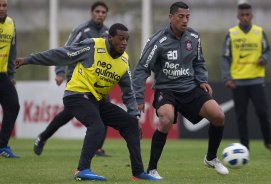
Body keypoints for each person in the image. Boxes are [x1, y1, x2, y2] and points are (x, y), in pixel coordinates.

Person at [15, 23, 160, 181]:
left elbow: (128, 93)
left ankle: (138, 173)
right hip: (76, 94)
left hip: (97, 100)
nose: (124, 42)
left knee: (131, 124)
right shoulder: (92, 46)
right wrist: (28, 60)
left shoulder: (124, 61)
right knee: (96, 126)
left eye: (127, 39)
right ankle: (82, 170)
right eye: (121, 38)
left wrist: (135, 116)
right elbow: (60, 54)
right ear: (110, 38)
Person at [132, 1, 229, 179]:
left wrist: (202, 80)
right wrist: (138, 97)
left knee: (218, 115)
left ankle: (211, 158)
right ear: (171, 17)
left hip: (190, 88)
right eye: (181, 17)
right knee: (166, 119)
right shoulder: (158, 40)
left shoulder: (194, 37)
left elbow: (199, 62)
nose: (185, 20)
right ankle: (152, 169)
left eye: (187, 17)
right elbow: (141, 69)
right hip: (166, 89)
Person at [34, 1, 110, 157]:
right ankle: (43, 137)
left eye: (103, 12)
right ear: (91, 13)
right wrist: (60, 71)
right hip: (78, 80)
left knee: (105, 109)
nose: (100, 14)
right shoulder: (82, 30)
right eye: (97, 11)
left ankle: (97, 148)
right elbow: (65, 50)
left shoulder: (108, 32)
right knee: (69, 113)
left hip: (98, 82)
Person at [220, 3, 271, 155]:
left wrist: (264, 58)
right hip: (238, 81)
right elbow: (225, 57)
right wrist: (227, 77)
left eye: (247, 15)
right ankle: (244, 147)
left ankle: (268, 142)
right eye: (242, 15)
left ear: (251, 16)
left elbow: (267, 51)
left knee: (262, 112)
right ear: (238, 16)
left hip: (256, 80)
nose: (245, 17)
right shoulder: (231, 34)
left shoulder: (259, 32)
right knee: (241, 115)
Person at [0, 0, 20, 158]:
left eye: (4, 5)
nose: (2, 8)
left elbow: (12, 50)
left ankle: (2, 146)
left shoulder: (11, 23)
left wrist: (11, 74)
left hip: (2, 75)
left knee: (13, 106)